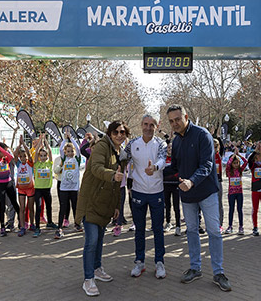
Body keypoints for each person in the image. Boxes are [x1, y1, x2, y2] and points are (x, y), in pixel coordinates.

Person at [167, 104, 231, 292]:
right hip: (187, 194)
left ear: (186, 116)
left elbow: (207, 165)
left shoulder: (203, 135)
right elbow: (175, 167)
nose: (175, 123)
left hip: (207, 192)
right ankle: (195, 268)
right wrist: (155, 170)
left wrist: (192, 181)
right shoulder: (176, 141)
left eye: (177, 119)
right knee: (192, 231)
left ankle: (218, 272)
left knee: (214, 231)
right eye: (171, 121)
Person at [76, 120, 129, 296]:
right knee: (91, 241)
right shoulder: (101, 147)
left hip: (105, 203)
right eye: (116, 132)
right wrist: (112, 175)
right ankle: (88, 278)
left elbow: (117, 184)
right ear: (110, 133)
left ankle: (97, 269)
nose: (120, 135)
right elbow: (97, 168)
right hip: (91, 201)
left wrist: (116, 206)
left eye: (123, 132)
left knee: (99, 240)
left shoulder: (119, 152)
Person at [124, 114, 167, 279]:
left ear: (157, 126)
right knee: (139, 230)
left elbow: (163, 159)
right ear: (141, 124)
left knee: (158, 229)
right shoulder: (133, 143)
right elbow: (122, 157)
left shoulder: (160, 143)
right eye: (146, 124)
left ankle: (159, 262)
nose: (148, 128)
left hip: (157, 191)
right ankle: (139, 262)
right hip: (138, 191)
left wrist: (155, 167)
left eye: (152, 125)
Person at [54, 136, 82, 237]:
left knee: (75, 207)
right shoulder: (64, 159)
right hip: (64, 188)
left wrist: (71, 139)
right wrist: (65, 139)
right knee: (63, 207)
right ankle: (59, 228)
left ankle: (77, 224)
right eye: (68, 151)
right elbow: (61, 149)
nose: (70, 153)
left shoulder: (77, 160)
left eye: (72, 151)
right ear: (65, 152)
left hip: (74, 188)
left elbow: (78, 149)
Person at [225, 150, 247, 235]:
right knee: (231, 209)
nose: (236, 165)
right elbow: (227, 164)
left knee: (239, 210)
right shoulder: (229, 171)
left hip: (239, 193)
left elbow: (246, 162)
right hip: (231, 194)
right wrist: (233, 156)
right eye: (234, 163)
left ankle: (241, 226)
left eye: (237, 163)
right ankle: (230, 226)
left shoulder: (240, 170)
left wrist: (239, 155)